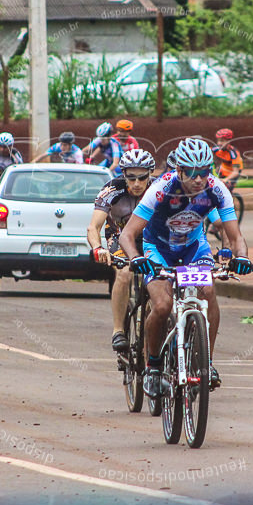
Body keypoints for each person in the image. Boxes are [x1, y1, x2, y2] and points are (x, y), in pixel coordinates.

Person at [118, 138, 253, 397]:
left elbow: (234, 235)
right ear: (178, 170)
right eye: (191, 172)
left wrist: (242, 257)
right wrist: (136, 257)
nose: (199, 178)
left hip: (194, 248)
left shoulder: (216, 189)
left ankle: (207, 365)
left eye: (204, 171)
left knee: (208, 291)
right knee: (162, 305)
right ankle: (154, 367)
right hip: (158, 249)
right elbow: (127, 235)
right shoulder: (160, 188)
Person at [86, 149, 157, 355]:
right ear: (123, 175)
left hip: (151, 238)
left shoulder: (160, 189)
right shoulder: (112, 189)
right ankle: (118, 330)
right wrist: (97, 248)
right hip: (119, 236)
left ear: (150, 174)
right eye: (131, 177)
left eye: (142, 177)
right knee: (124, 273)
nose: (136, 183)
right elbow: (94, 227)